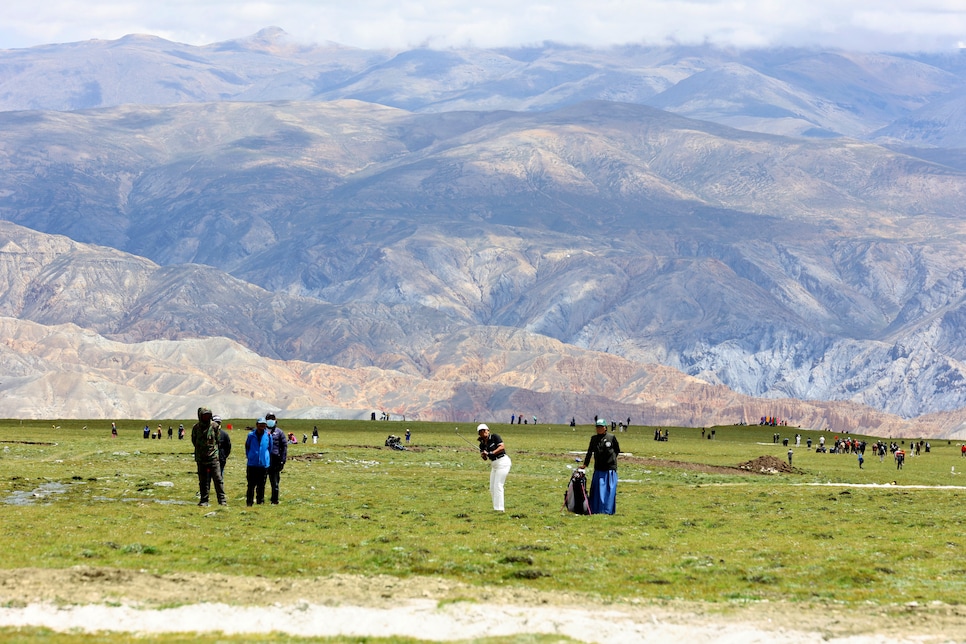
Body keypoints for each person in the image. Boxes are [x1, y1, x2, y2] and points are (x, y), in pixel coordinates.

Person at [191, 407, 227, 506]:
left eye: (208, 415)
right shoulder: (196, 428)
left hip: (213, 458)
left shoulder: (214, 426)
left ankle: (222, 500)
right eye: (204, 415)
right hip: (201, 459)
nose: (206, 417)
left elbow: (218, 440)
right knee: (203, 481)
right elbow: (194, 441)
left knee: (218, 479)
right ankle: (204, 500)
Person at [582, 418, 620, 514]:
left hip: (610, 469)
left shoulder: (611, 437)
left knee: (609, 491)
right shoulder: (594, 439)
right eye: (597, 427)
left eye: (601, 427)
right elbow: (589, 452)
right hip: (599, 468)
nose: (599, 429)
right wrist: (585, 464)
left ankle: (607, 510)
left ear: (605, 428)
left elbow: (617, 450)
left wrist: (612, 459)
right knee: (598, 491)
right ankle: (596, 509)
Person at [477, 423, 511, 512]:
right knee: (492, 487)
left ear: (488, 431)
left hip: (503, 462)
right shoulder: (482, 444)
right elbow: (485, 458)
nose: (484, 432)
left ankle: (500, 509)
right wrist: (483, 455)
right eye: (481, 431)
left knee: (498, 485)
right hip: (494, 464)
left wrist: (491, 453)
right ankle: (496, 508)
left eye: (485, 430)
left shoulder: (495, 437)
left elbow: (501, 447)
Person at [245, 418, 271, 506]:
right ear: (257, 425)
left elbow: (269, 448)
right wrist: (250, 456)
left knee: (261, 484)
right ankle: (249, 502)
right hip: (252, 464)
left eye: (263, 425)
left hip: (263, 464)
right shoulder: (251, 435)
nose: (262, 426)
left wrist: (266, 457)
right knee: (251, 485)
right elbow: (247, 446)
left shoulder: (268, 435)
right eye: (260, 424)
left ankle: (260, 501)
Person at [266, 413, 287, 505]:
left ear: (275, 420)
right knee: (260, 481)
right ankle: (260, 499)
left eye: (272, 419)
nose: (270, 420)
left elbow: (284, 447)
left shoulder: (279, 432)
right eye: (269, 418)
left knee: (275, 482)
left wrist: (283, 460)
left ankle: (274, 500)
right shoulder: (261, 431)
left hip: (275, 461)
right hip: (263, 460)